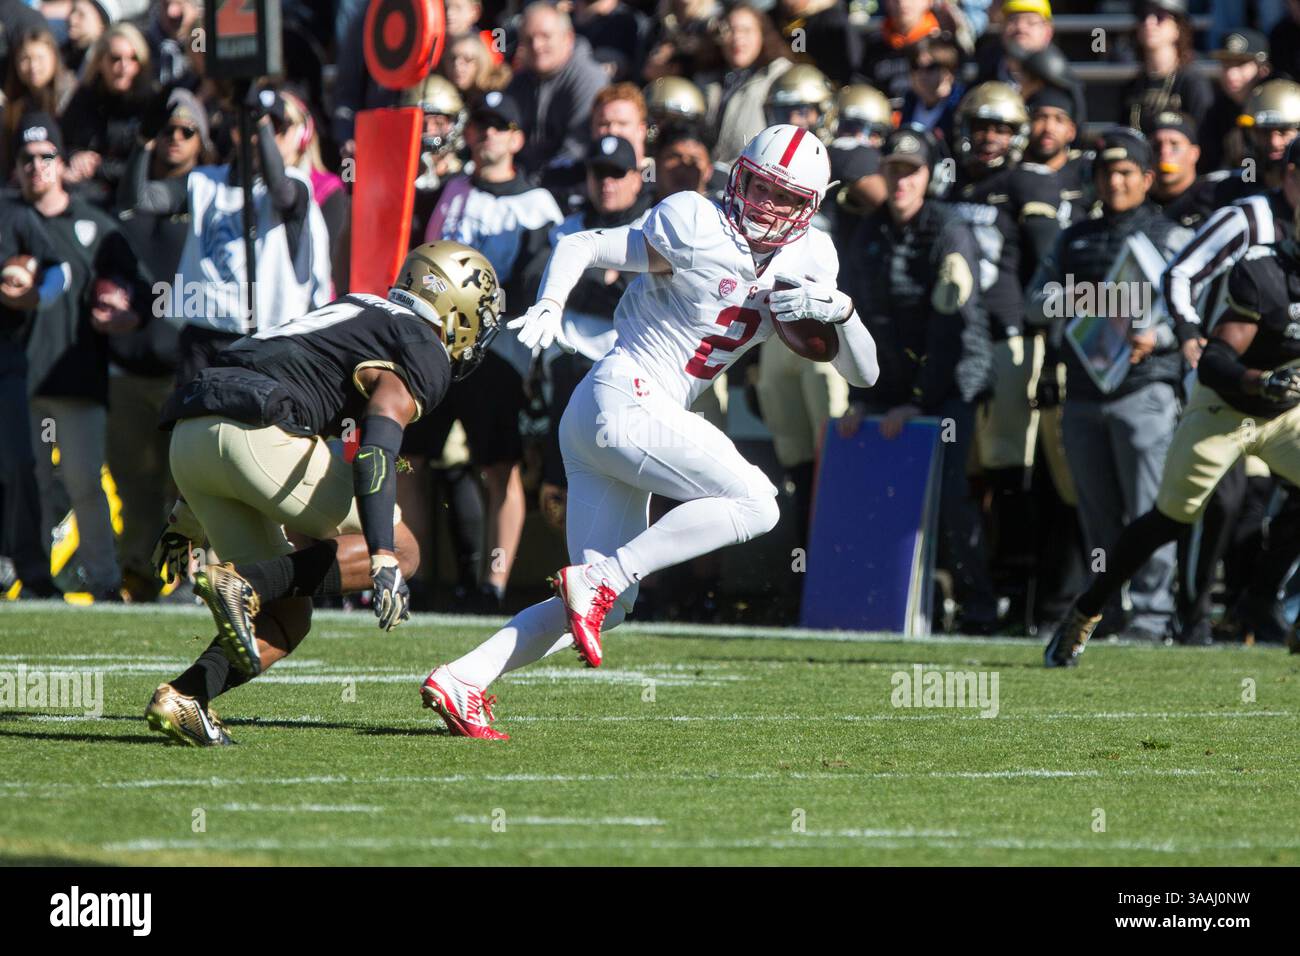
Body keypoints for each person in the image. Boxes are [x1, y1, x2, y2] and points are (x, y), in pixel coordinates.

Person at [419, 124, 880, 738]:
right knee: (758, 503)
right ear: (736, 177)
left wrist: (842, 314)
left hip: (609, 419)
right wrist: (552, 305)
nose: (768, 206)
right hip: (625, 395)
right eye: (759, 187)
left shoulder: (814, 259)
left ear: (811, 208)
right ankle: (605, 577)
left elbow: (865, 373)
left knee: (608, 612)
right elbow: (583, 244)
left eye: (786, 199)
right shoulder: (695, 223)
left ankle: (463, 678)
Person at [143, 242, 504, 745]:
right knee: (406, 549)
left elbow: (243, 386)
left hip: (191, 437)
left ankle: (185, 698)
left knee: (289, 617)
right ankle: (244, 582)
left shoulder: (358, 307)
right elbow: (379, 441)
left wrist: (187, 515)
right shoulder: (422, 344)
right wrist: (382, 553)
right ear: (456, 307)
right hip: (256, 431)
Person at [1047, 235, 1300, 665]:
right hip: (1226, 409)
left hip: (1287, 413)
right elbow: (1214, 361)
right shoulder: (1264, 272)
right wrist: (1261, 381)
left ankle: (1262, 598)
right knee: (1169, 519)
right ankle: (1086, 610)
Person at [1028, 127, 1193, 643]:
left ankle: (1151, 617)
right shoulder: (1074, 237)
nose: (1115, 182)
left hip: (1145, 389)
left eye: (1125, 172)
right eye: (1106, 172)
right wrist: (1079, 301)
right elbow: (1033, 303)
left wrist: (1160, 335)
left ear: (1147, 178)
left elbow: (1195, 311)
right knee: (1098, 518)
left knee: (1151, 512)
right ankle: (1107, 613)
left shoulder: (1172, 236)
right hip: (1082, 393)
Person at [838, 125, 998, 633]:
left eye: (911, 172)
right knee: (879, 494)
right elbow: (861, 324)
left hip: (951, 382)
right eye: (893, 171)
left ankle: (979, 608)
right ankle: (882, 603)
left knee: (949, 496)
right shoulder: (867, 231)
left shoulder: (948, 229)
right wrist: (863, 402)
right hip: (893, 386)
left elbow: (950, 330)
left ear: (927, 176)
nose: (901, 181)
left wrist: (922, 405)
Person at [407, 90, 563, 610]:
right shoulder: (450, 189)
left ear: (518, 138)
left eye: (501, 126)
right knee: (411, 459)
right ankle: (411, 578)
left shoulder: (538, 205)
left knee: (499, 466)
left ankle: (493, 584)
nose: (488, 134)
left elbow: (536, 281)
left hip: (497, 352)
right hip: (432, 346)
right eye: (480, 125)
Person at [16, 113, 150, 602]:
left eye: (45, 157)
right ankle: (28, 575)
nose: (36, 168)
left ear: (61, 160)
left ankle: (104, 579)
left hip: (77, 378)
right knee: (22, 485)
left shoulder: (94, 223)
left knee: (83, 483)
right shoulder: (9, 218)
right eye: (26, 160)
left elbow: (141, 291)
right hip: (16, 378)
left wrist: (124, 311)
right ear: (15, 167)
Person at [118, 84, 332, 386]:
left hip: (267, 337)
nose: (259, 136)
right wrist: (143, 142)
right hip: (203, 336)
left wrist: (259, 123)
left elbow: (280, 192)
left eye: (275, 127)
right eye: (248, 124)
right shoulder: (204, 181)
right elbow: (137, 200)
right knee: (196, 431)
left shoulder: (297, 185)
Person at [59, 22, 159, 209]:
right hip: (85, 190)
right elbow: (61, 142)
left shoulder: (150, 104)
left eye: (133, 59)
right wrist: (76, 157)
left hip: (134, 197)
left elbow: (152, 166)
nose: (124, 67)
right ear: (100, 61)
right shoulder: (84, 98)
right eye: (115, 58)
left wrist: (99, 167)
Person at [506, 2, 610, 177]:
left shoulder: (588, 77)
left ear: (568, 38)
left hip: (571, 180)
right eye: (529, 39)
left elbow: (577, 147)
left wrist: (533, 184)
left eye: (545, 36)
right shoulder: (519, 81)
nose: (537, 45)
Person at [700, 2, 792, 166]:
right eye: (729, 30)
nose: (737, 38)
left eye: (746, 30)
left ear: (762, 35)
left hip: (755, 176)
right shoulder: (707, 81)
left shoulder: (780, 77)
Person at [1118, 0, 1213, 132]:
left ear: (1178, 27)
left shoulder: (1192, 82)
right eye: (1143, 16)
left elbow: (1203, 137)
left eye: (1160, 16)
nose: (1149, 22)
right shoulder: (1134, 85)